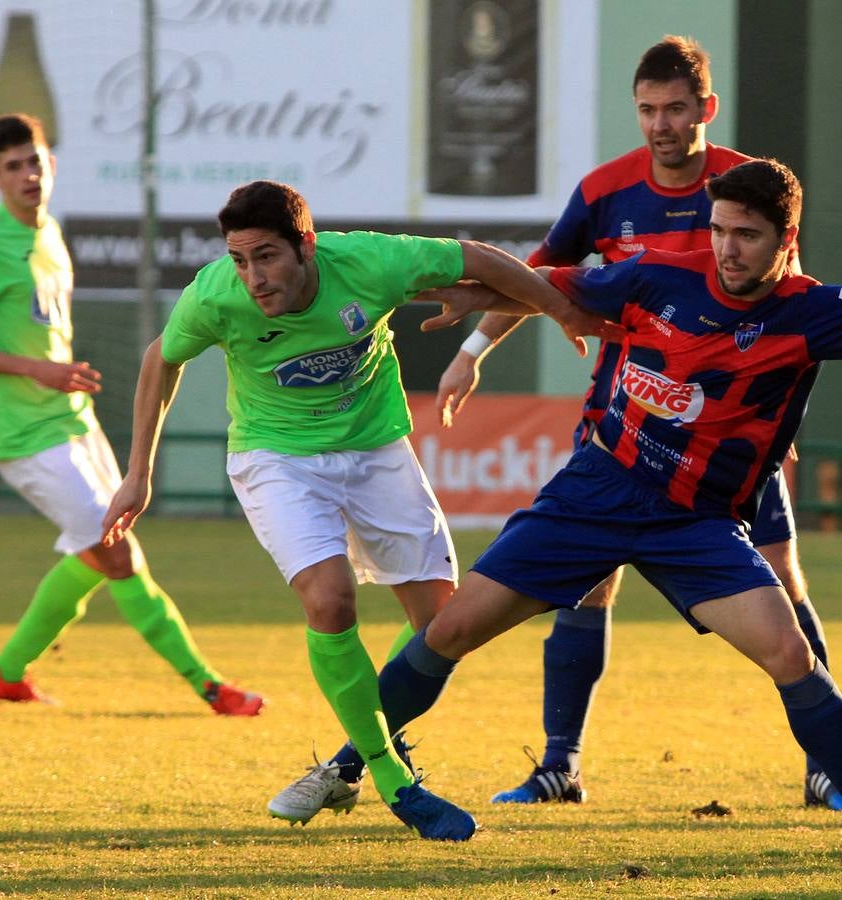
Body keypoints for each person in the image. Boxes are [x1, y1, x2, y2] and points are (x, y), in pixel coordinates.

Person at [287, 157, 842, 858]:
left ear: (787, 240)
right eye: (719, 229)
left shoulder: (812, 312)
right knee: (450, 631)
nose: (726, 247)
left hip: (696, 523)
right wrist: (478, 303)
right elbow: (548, 283)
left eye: (746, 234)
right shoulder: (660, 273)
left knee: (790, 652)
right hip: (595, 492)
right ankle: (349, 765)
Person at [97, 179, 611, 842]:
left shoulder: (370, 261)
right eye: (240, 259)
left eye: (267, 257)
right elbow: (158, 361)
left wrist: (560, 311)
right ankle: (390, 775)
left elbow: (480, 260)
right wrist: (137, 473)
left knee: (442, 625)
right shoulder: (214, 297)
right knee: (330, 599)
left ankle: (343, 765)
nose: (253, 277)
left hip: (375, 448)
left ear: (306, 245)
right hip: (276, 457)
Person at [433, 35, 842, 809]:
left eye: (675, 109)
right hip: (626, 416)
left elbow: (802, 315)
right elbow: (537, 273)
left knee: (783, 585)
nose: (660, 125)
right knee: (589, 583)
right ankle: (561, 765)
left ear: (705, 110)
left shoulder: (748, 188)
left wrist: (779, 436)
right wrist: (475, 347)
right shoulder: (605, 192)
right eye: (648, 110)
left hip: (729, 436)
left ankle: (823, 767)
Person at [0, 114, 263, 716]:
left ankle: (6, 672)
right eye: (13, 166)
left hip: (72, 423)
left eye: (34, 160)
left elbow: (37, 348)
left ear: (51, 164)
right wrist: (25, 388)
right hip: (29, 438)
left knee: (100, 547)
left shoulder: (51, 236)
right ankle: (210, 687)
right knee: (116, 554)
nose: (28, 174)